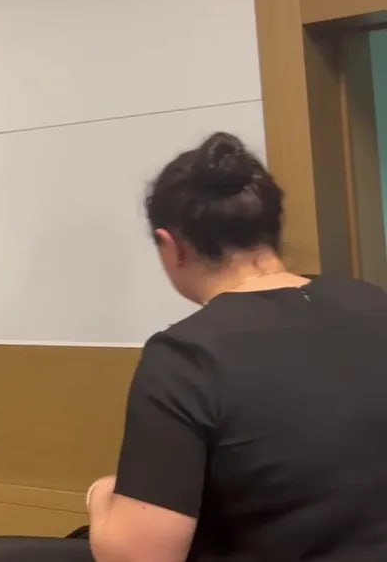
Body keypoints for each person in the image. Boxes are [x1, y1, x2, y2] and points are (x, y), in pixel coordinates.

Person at [86, 131, 387, 561]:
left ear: (171, 246)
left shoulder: (186, 356)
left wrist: (101, 496)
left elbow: (139, 556)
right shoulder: (374, 302)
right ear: (272, 228)